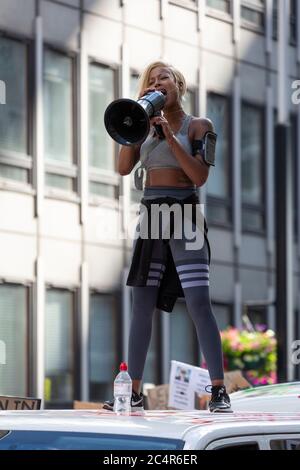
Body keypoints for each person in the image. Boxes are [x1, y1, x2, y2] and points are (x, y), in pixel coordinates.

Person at [104, 61, 231, 413]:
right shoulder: (142, 125)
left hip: (185, 214)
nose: (158, 82)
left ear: (179, 85)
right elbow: (123, 167)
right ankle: (132, 391)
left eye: (164, 78)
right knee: (141, 306)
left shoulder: (198, 126)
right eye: (151, 80)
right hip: (151, 214)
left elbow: (199, 177)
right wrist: (137, 126)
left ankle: (219, 390)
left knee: (198, 303)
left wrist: (170, 136)